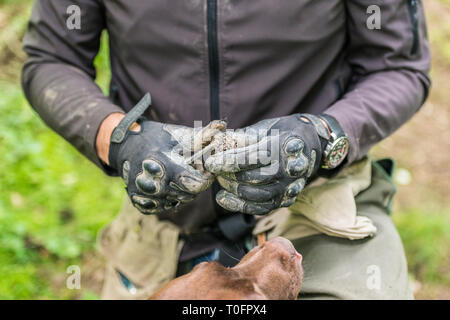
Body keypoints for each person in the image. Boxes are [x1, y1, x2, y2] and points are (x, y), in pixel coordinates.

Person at [22, 0, 430, 299]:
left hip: (317, 208)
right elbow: (53, 58)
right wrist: (118, 137)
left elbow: (398, 67)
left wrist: (320, 136)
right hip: (163, 226)